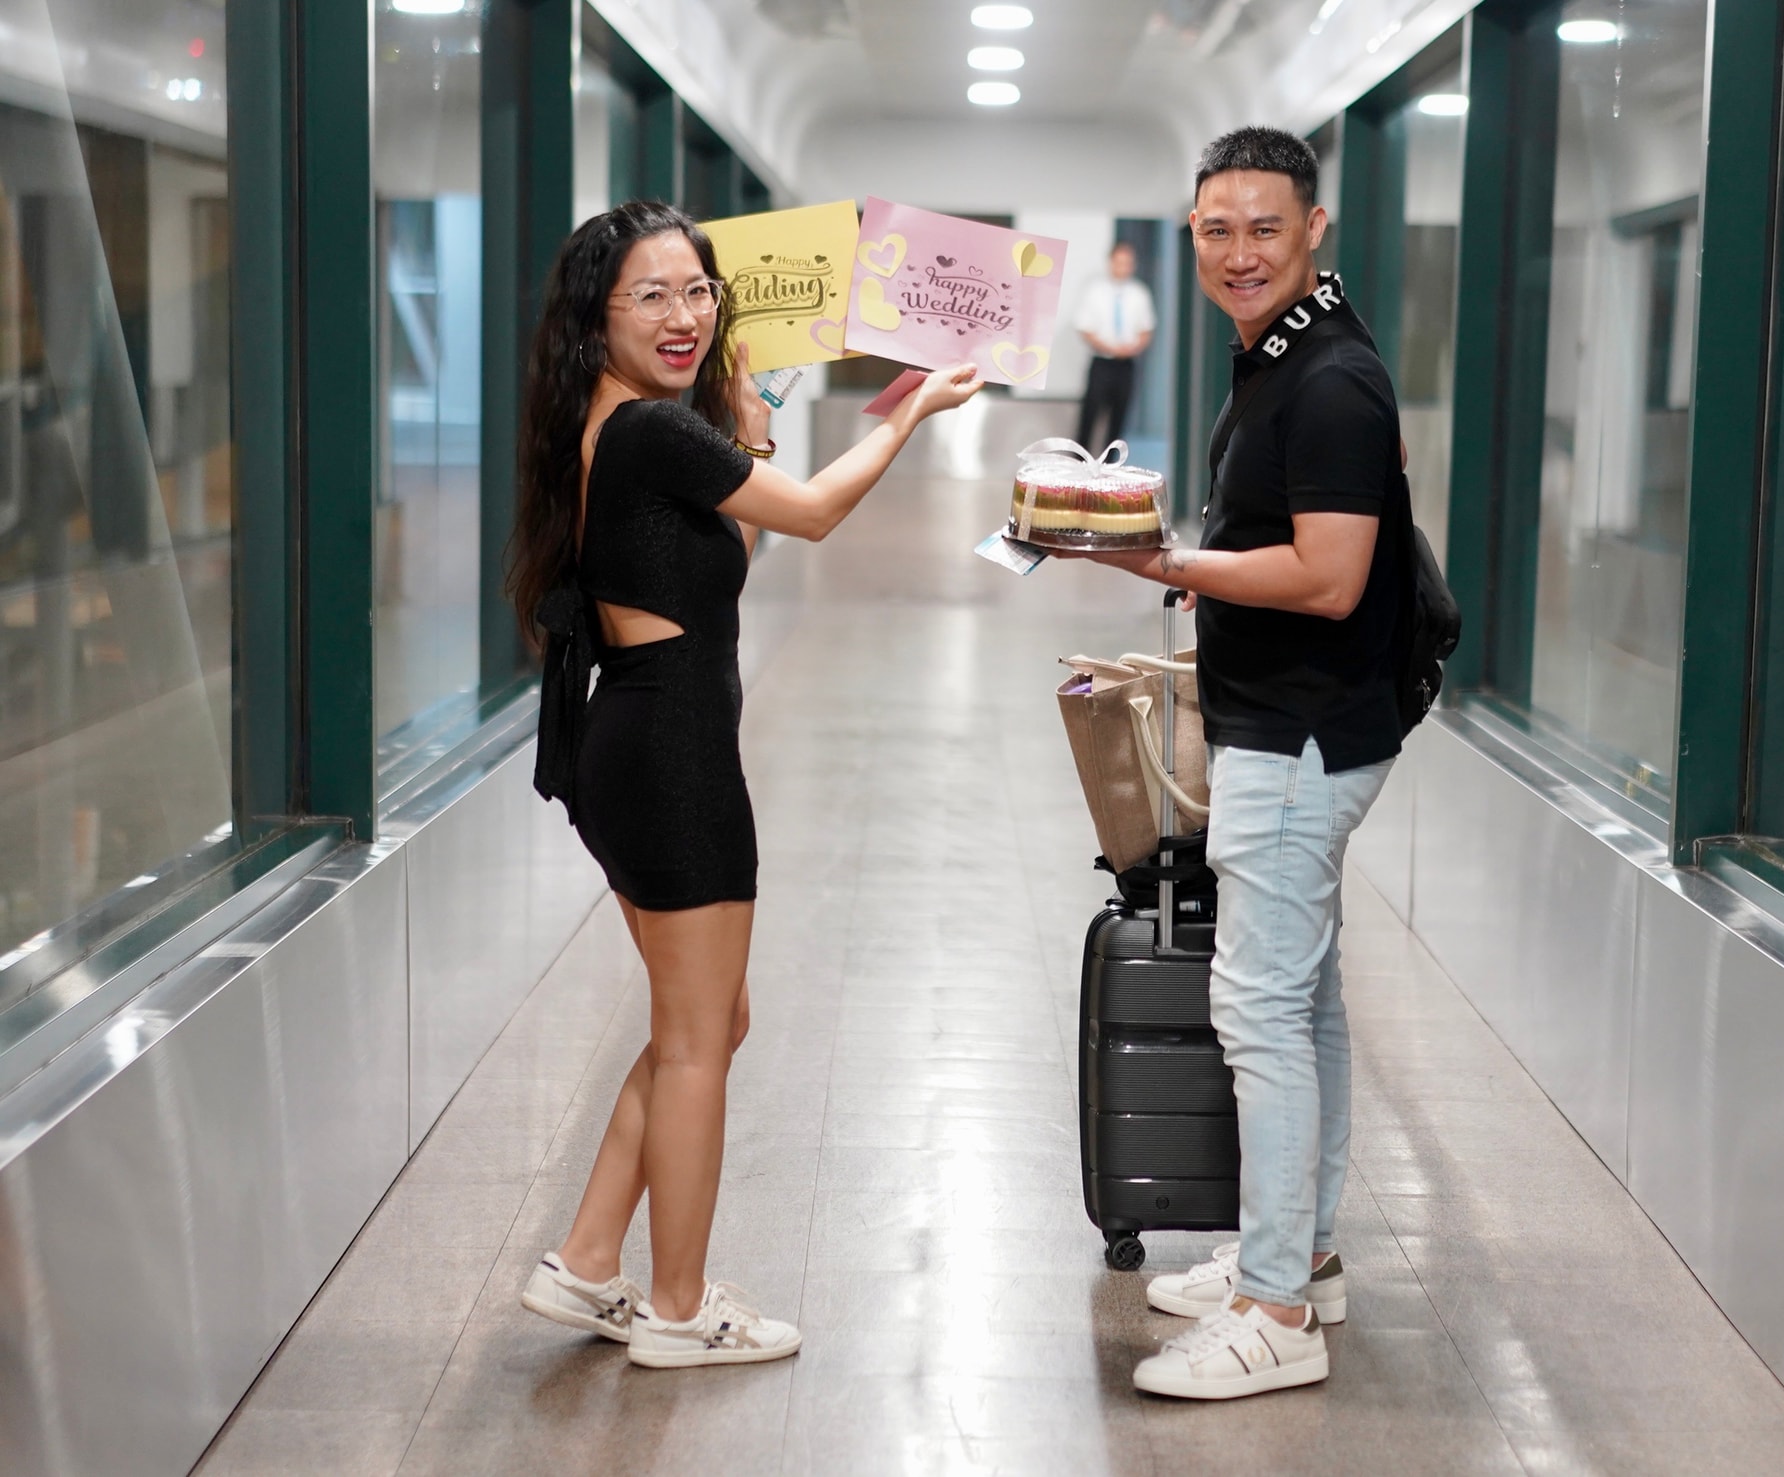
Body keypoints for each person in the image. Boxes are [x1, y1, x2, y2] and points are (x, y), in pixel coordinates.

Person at [505, 200, 981, 1368]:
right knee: (698, 1041)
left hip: (639, 741)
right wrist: (912, 409)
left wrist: (751, 441)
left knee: (708, 1022)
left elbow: (716, 572)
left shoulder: (620, 424)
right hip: (671, 758)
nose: (684, 315)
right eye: (652, 295)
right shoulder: (650, 432)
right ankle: (678, 1310)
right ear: (598, 317)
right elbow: (814, 517)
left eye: (698, 291)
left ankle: (587, 1260)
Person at [1058, 128, 1404, 1400]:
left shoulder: (1331, 380)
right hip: (1291, 719)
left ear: (1314, 228)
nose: (1239, 251)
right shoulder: (1282, 355)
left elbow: (1331, 575)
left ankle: (1273, 1313)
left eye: (1265, 227)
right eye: (1217, 229)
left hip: (1300, 737)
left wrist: (1162, 564)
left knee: (1259, 1010)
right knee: (1302, 1000)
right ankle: (1299, 1256)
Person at [1073, 240, 1156, 450]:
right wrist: (1110, 348)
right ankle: (1080, 461)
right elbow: (1085, 328)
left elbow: (1146, 329)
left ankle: (1110, 464)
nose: (1123, 267)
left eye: (1128, 263)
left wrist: (1132, 348)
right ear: (1111, 262)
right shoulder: (1095, 291)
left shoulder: (1140, 293)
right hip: (1102, 362)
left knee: (1119, 419)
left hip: (1126, 365)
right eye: (1119, 262)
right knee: (1090, 416)